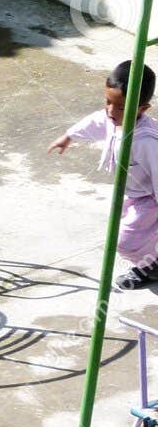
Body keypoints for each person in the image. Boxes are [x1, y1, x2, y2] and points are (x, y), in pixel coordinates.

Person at [49, 60, 158, 291]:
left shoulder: (147, 141)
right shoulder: (113, 119)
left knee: (125, 242)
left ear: (143, 109)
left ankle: (151, 267)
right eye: (108, 102)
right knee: (131, 235)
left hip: (150, 198)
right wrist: (69, 136)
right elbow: (96, 122)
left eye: (120, 107)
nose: (110, 111)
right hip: (133, 194)